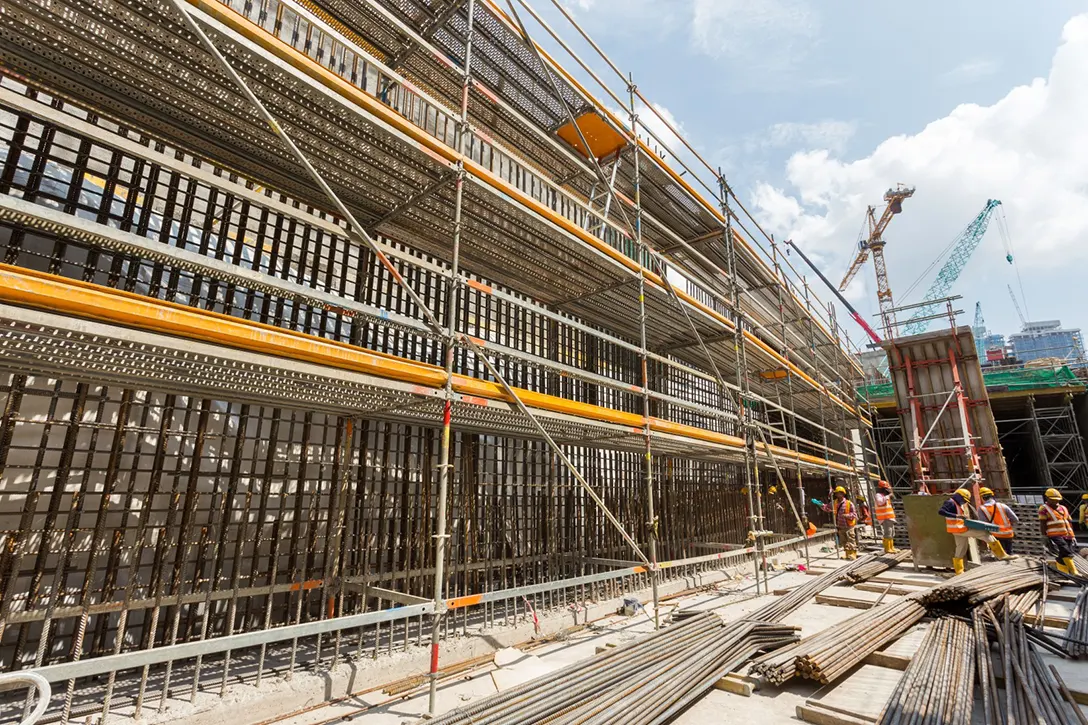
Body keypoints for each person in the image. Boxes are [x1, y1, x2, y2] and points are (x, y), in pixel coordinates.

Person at [938, 487, 1012, 575]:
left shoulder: (956, 504)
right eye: (963, 499)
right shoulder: (950, 502)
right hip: (960, 529)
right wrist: (958, 516)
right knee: (985, 534)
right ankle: (1001, 555)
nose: (964, 502)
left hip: (955, 530)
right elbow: (941, 512)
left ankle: (959, 571)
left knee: (961, 549)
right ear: (958, 496)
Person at [1039, 488, 1079, 575]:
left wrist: (1073, 535)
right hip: (1055, 534)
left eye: (1057, 500)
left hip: (1067, 534)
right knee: (1066, 549)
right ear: (1047, 498)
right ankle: (1074, 571)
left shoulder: (1063, 508)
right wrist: (1044, 536)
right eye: (1053, 500)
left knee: (1063, 552)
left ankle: (1062, 570)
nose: (1055, 502)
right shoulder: (1043, 509)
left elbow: (1069, 521)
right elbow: (1042, 523)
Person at [976, 487, 1018, 554]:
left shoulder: (982, 509)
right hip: (1008, 534)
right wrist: (1009, 524)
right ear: (992, 495)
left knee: (1000, 554)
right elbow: (1015, 519)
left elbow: (983, 524)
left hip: (995, 535)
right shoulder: (1003, 506)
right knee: (1009, 553)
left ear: (982, 497)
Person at [822, 486, 858, 560]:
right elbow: (827, 508)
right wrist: (821, 505)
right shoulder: (834, 503)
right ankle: (847, 554)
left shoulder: (848, 503)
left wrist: (847, 515)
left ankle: (853, 554)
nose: (837, 495)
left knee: (850, 539)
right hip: (840, 526)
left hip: (849, 525)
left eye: (839, 493)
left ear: (843, 494)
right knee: (844, 541)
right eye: (836, 493)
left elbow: (854, 514)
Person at [874, 481, 898, 554]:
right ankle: (887, 548)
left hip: (889, 518)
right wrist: (888, 496)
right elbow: (880, 502)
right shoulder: (878, 495)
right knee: (888, 533)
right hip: (885, 518)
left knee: (891, 533)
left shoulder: (884, 496)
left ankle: (891, 547)